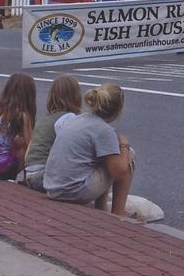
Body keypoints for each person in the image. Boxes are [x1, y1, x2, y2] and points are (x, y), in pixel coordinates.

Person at [44, 83, 135, 217]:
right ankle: (118, 212)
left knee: (105, 157)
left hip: (52, 187)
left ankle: (101, 208)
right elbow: (119, 171)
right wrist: (124, 144)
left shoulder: (78, 119)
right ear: (118, 109)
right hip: (72, 191)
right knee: (128, 155)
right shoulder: (104, 130)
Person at [24, 75, 83, 192]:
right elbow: (70, 151)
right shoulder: (68, 118)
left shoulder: (44, 119)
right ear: (76, 96)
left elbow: (28, 153)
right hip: (45, 176)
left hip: (30, 174)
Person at [0, 73, 37, 180]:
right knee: (22, 148)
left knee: (16, 142)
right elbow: (30, 145)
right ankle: (27, 178)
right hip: (0, 167)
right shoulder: (22, 115)